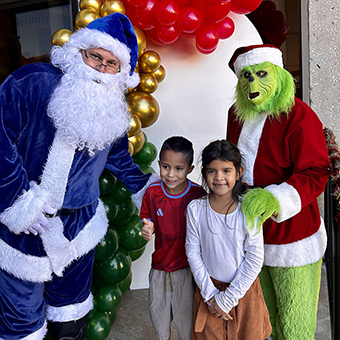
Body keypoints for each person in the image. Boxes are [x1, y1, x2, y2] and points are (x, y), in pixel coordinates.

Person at [0, 13, 155, 340]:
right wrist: (16, 201)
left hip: (78, 228)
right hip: (23, 228)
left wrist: (148, 189)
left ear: (119, 72)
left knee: (71, 316)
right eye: (95, 56)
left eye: (111, 63)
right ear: (78, 52)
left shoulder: (111, 105)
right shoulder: (32, 82)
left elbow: (116, 156)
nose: (100, 68)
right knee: (21, 325)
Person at [227, 44, 330, 340]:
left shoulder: (300, 116)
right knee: (263, 319)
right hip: (251, 232)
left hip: (293, 236)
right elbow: (232, 163)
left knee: (295, 324)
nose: (252, 84)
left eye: (261, 74)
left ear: (280, 76)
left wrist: (276, 198)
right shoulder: (236, 116)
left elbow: (315, 172)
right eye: (246, 76)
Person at [185, 140, 272, 340]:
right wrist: (211, 297)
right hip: (209, 292)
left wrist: (227, 300)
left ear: (238, 172)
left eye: (226, 170)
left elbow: (255, 259)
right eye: (212, 171)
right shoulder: (196, 209)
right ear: (204, 173)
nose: (219, 178)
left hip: (243, 292)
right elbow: (193, 253)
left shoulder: (248, 211)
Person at [140, 136, 206, 340]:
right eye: (166, 167)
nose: (171, 174)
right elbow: (146, 220)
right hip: (159, 268)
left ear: (190, 168)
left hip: (187, 270)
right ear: (159, 164)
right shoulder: (152, 193)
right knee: (160, 322)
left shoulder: (197, 195)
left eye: (178, 168)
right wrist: (146, 229)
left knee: (187, 325)